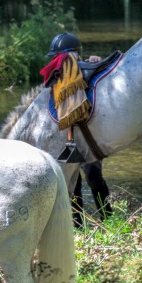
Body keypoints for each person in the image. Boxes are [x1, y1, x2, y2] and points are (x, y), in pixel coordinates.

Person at [45, 32, 112, 221]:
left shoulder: (88, 71)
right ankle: (77, 226)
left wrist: (96, 64)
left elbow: (104, 84)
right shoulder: (55, 78)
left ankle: (107, 218)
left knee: (94, 177)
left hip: (87, 137)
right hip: (66, 139)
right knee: (73, 185)